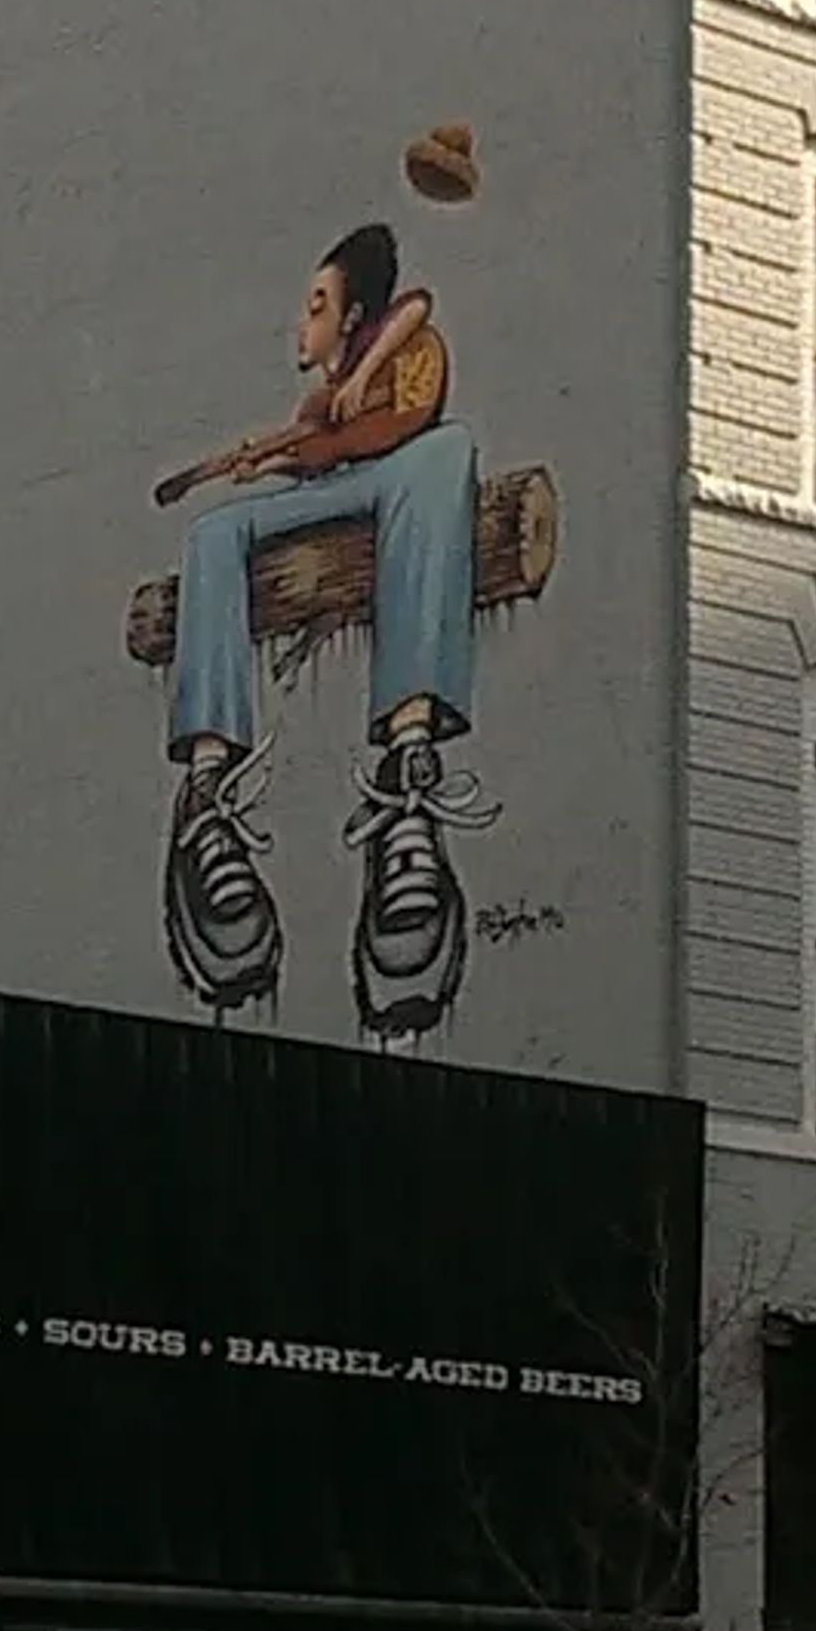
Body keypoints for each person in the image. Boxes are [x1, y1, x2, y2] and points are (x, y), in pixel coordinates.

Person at [163, 222, 499, 1039]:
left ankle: (408, 761)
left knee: (445, 452)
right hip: (344, 484)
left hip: (401, 477)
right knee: (213, 534)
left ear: (352, 319)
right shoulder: (321, 398)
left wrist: (367, 374)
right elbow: (327, 445)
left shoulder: (394, 347)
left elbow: (416, 310)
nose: (302, 323)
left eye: (318, 304)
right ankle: (206, 788)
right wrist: (270, 458)